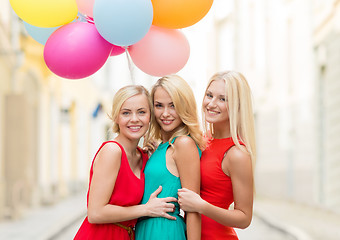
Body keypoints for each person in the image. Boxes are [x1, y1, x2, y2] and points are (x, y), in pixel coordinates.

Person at [74, 85, 177, 240]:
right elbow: (95, 213)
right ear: (116, 117)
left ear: (150, 117)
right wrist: (146, 209)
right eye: (126, 113)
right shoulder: (112, 151)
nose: (134, 119)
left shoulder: (143, 156)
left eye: (141, 112)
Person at [177, 71, 256, 240]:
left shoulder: (237, 154)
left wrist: (201, 206)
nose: (212, 104)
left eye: (222, 99)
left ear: (237, 106)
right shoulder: (201, 140)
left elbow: (244, 218)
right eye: (209, 95)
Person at [135, 75, 204, 240]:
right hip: (146, 228)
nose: (165, 113)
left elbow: (192, 208)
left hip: (164, 230)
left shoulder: (183, 144)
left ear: (184, 106)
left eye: (173, 106)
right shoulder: (164, 147)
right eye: (159, 105)